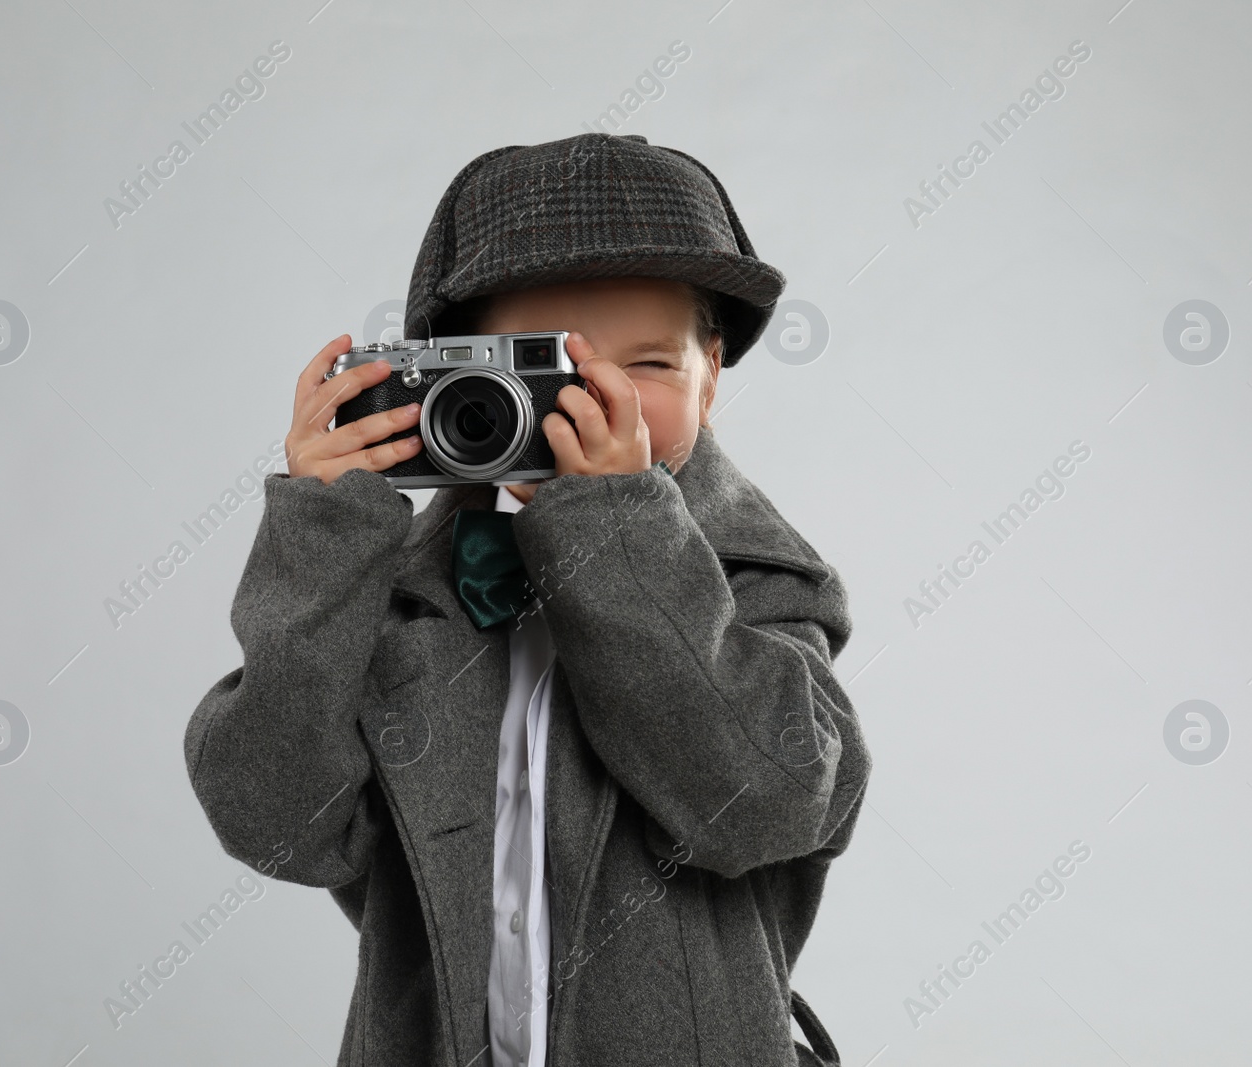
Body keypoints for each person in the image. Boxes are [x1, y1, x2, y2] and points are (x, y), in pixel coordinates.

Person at [183, 131, 870, 1067]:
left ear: (714, 373)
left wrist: (614, 534)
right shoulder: (397, 592)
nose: (597, 404)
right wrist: (326, 536)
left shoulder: (761, 579)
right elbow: (276, 824)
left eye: (652, 366)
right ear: (452, 379)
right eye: (540, 367)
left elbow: (770, 804)